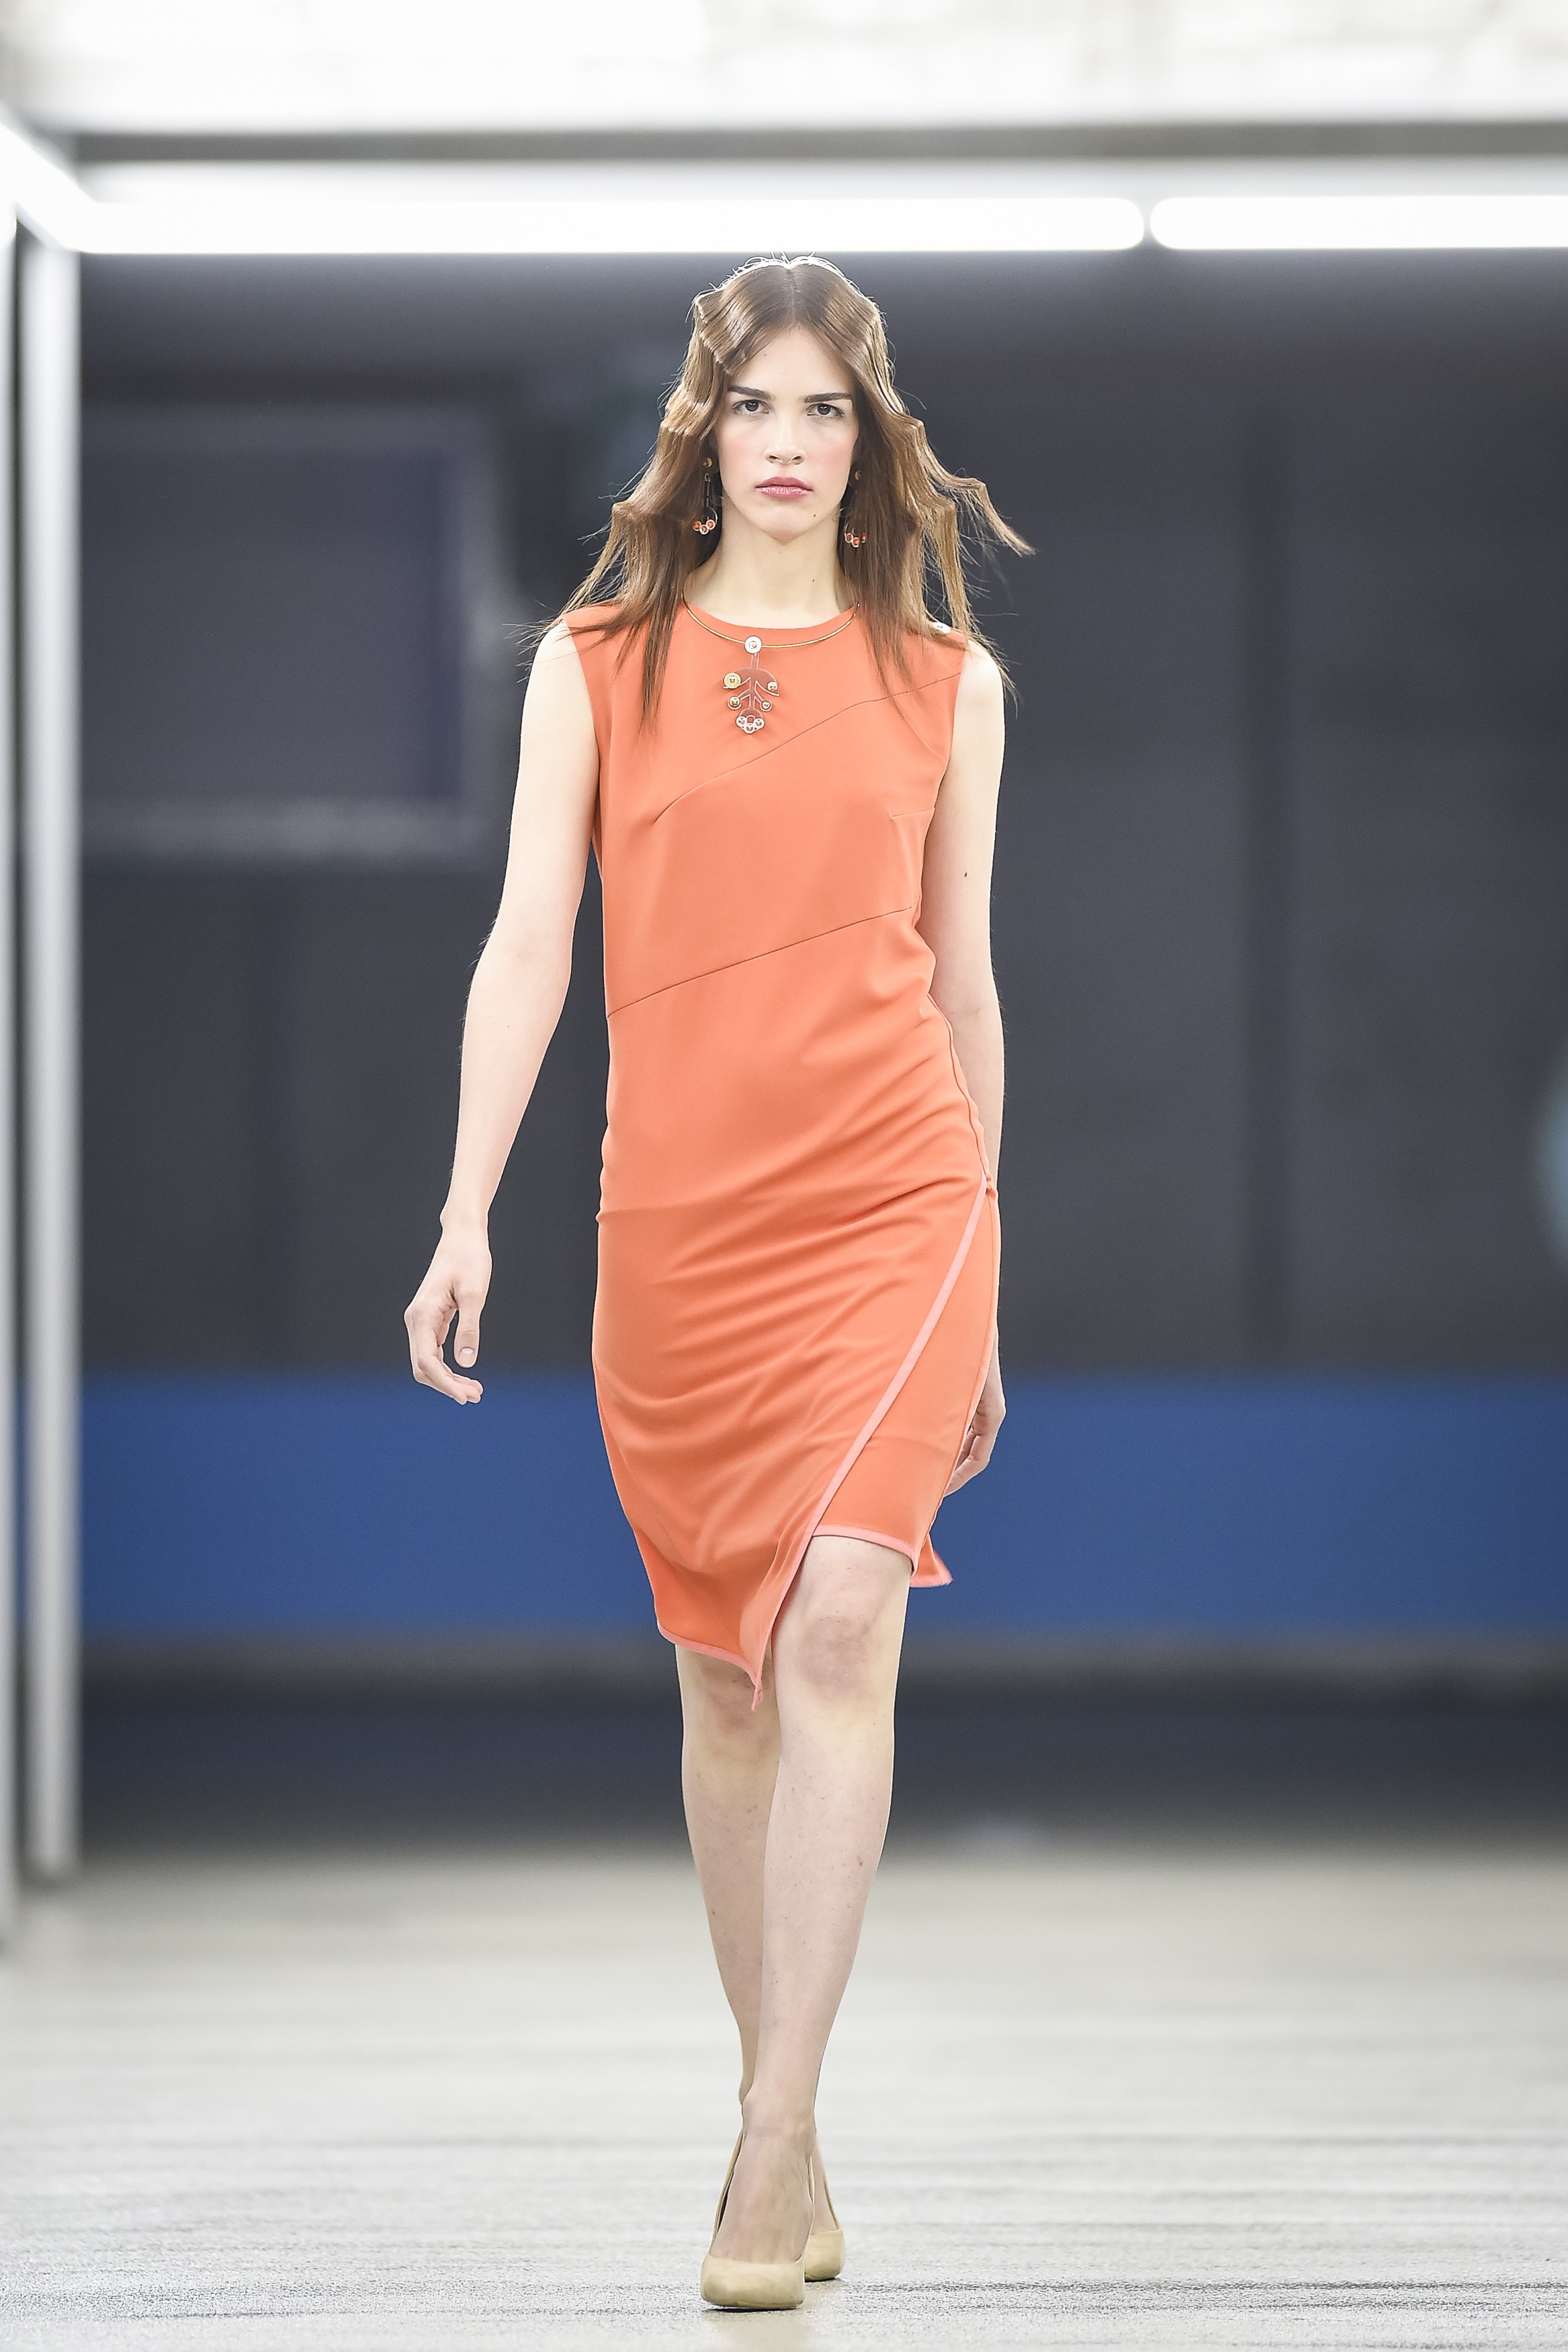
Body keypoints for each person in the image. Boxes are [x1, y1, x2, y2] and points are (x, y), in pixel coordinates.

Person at [405, 253, 1023, 2310]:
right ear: (702, 430)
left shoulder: (948, 685)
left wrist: (988, 1269)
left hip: (898, 1202)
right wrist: (467, 1207)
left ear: (870, 444)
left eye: (824, 408)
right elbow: (527, 943)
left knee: (841, 1617)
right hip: (677, 1224)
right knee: (731, 1682)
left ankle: (767, 2134)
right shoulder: (595, 665)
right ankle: (794, 2110)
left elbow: (966, 983)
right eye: (754, 403)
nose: (786, 441)